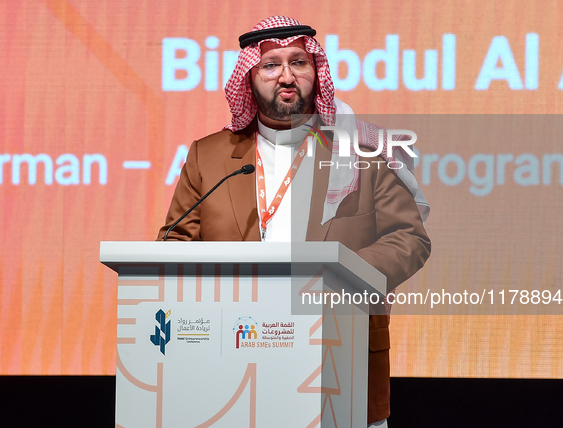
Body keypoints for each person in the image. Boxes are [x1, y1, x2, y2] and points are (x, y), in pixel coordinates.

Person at [157, 16, 431, 427]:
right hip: (230, 357)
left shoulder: (363, 150)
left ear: (315, 72)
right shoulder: (209, 157)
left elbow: (408, 238)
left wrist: (339, 277)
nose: (286, 76)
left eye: (299, 62)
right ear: (249, 78)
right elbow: (175, 245)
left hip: (339, 356)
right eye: (271, 65)